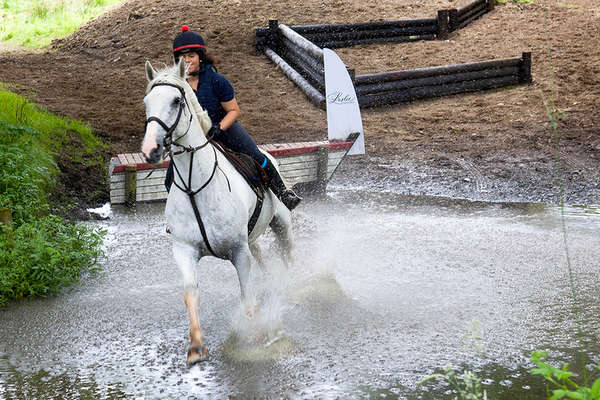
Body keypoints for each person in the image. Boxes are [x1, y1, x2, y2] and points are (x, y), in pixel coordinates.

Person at [164, 25, 301, 211]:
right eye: (182, 57)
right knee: (169, 178)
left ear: (200, 57)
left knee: (256, 156)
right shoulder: (176, 85)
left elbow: (234, 111)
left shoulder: (217, 81)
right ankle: (178, 215)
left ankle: (283, 193)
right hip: (194, 137)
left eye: (191, 56)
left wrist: (219, 128)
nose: (187, 61)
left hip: (224, 129)